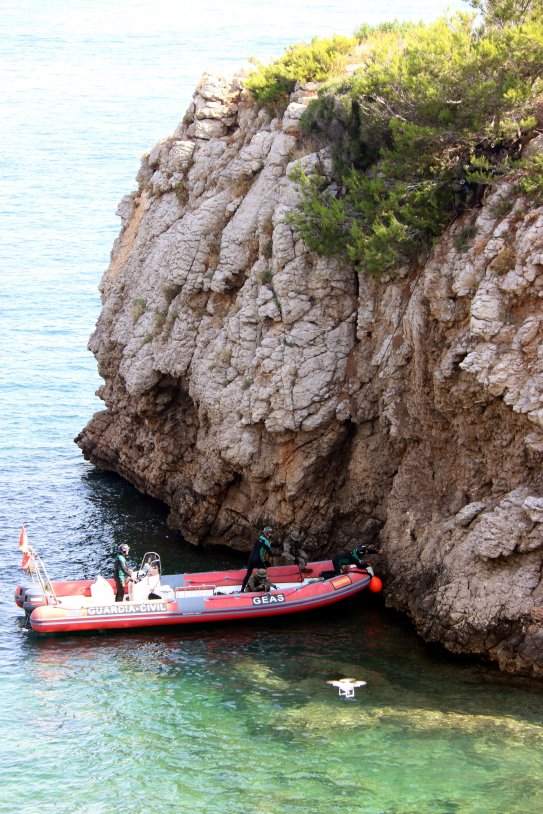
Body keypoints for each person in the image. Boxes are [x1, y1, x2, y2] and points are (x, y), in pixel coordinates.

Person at [240, 527, 279, 592]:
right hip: (257, 559)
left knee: (248, 574)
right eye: (270, 533)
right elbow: (271, 554)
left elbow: (270, 544)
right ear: (267, 534)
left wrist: (280, 545)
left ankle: (242, 590)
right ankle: (266, 590)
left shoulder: (261, 538)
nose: (271, 534)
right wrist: (281, 554)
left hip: (250, 558)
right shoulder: (266, 541)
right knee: (264, 573)